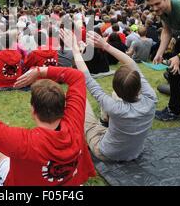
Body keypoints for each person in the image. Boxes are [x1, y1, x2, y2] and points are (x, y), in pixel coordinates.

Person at [63, 29, 157, 162]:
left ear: (117, 89)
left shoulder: (113, 107)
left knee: (77, 98)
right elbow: (132, 64)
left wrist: (74, 48)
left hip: (106, 153)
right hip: (134, 152)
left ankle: (98, 124)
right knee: (110, 102)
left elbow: (87, 78)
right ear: (139, 86)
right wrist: (105, 45)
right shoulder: (151, 98)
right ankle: (104, 120)